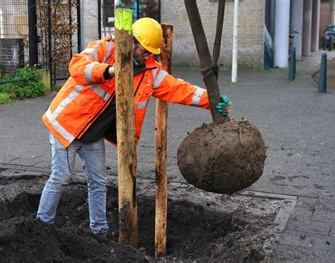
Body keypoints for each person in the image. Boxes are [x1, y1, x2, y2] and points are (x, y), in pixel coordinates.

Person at [36, 17, 231, 236]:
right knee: (61, 176)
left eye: (151, 53)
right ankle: (42, 226)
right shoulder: (104, 48)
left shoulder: (150, 72)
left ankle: (99, 231)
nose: (148, 56)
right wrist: (109, 70)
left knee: (98, 181)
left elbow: (178, 89)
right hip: (67, 126)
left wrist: (212, 101)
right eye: (145, 51)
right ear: (132, 41)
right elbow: (77, 66)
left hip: (92, 135)